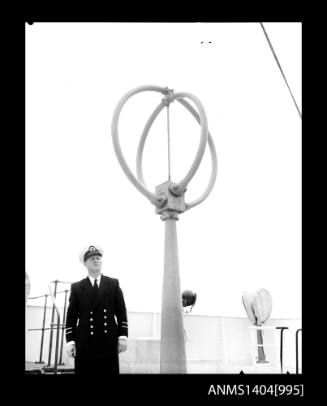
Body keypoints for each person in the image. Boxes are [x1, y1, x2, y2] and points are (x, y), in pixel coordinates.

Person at [65, 245, 128, 375]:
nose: (95, 260)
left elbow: (121, 312)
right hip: (85, 342)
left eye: (98, 258)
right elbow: (71, 317)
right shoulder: (77, 287)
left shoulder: (113, 284)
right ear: (85, 263)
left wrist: (123, 336)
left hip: (108, 341)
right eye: (92, 258)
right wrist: (70, 341)